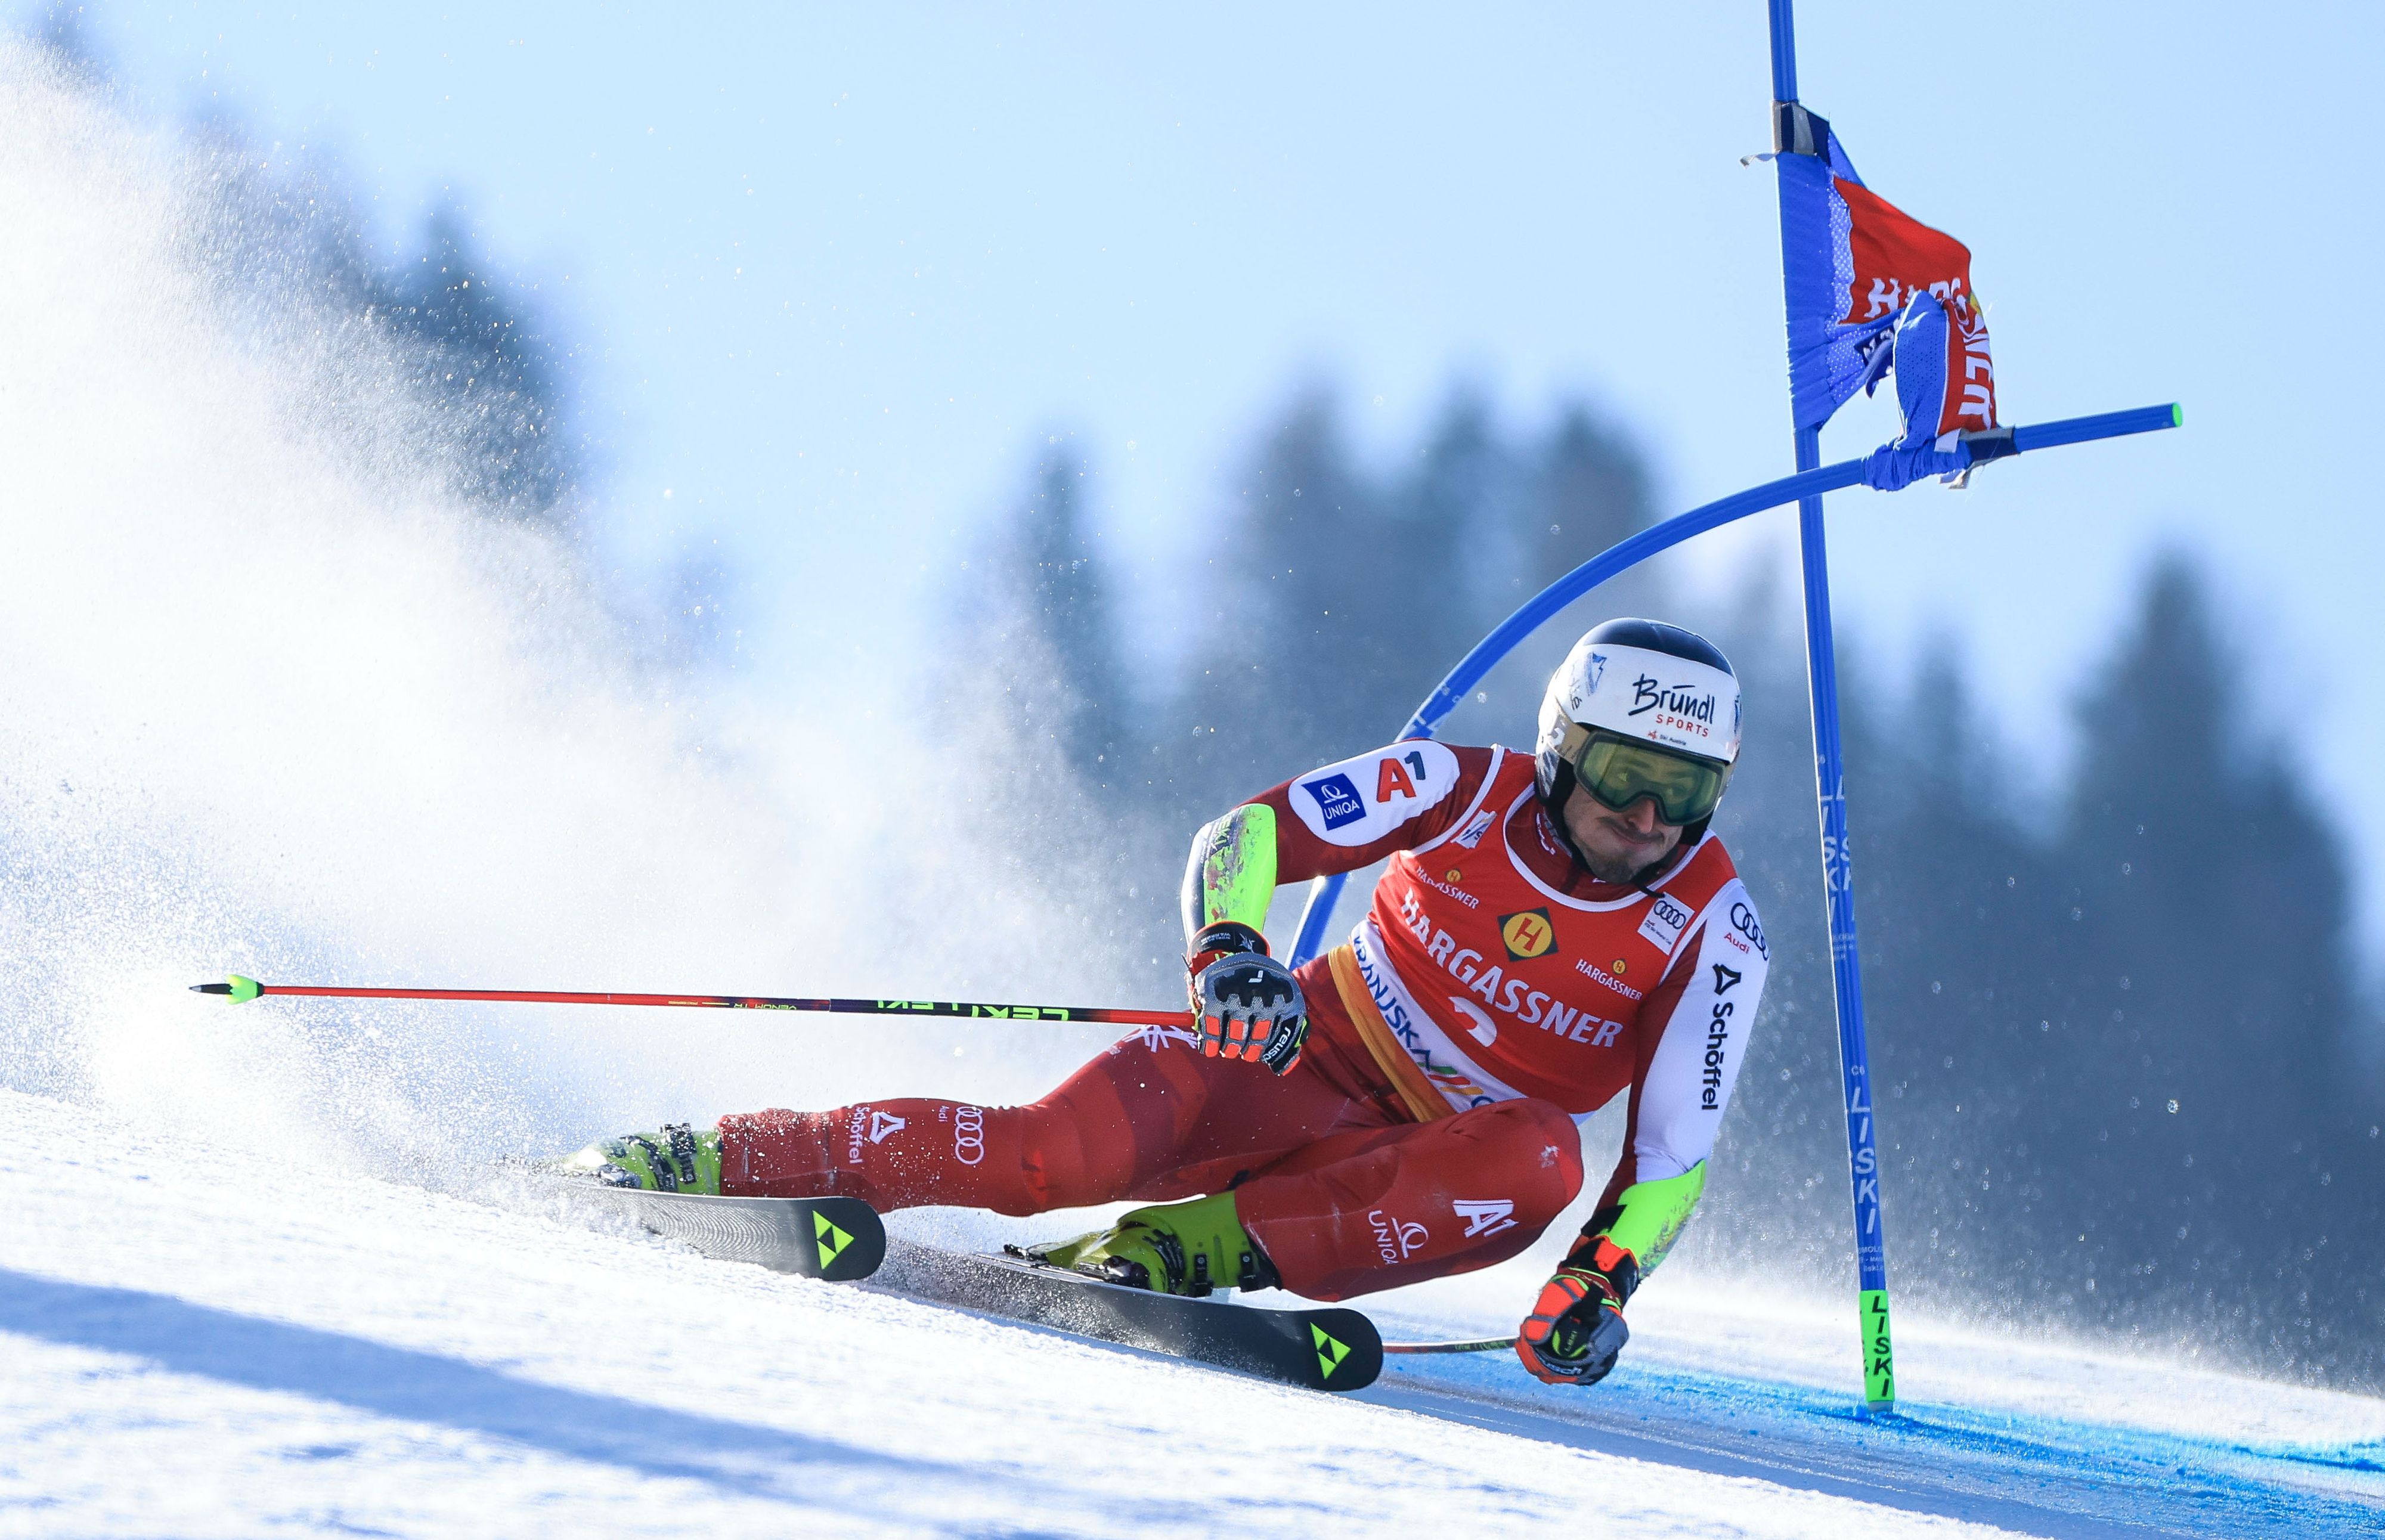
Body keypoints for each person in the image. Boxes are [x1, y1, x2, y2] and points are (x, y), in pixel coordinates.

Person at [569, 618, 1769, 1387]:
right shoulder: (1453, 787)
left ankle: (1160, 1258)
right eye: (1623, 774)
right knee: (1043, 1152)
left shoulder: (1714, 928)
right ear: (1561, 746)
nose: (1649, 818)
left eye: (1685, 789)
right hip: (1291, 1058)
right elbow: (1247, 830)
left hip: (1427, 1160)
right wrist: (1231, 949)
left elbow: (1671, 1152)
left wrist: (1597, 1283)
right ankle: (709, 1154)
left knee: (1543, 1157)